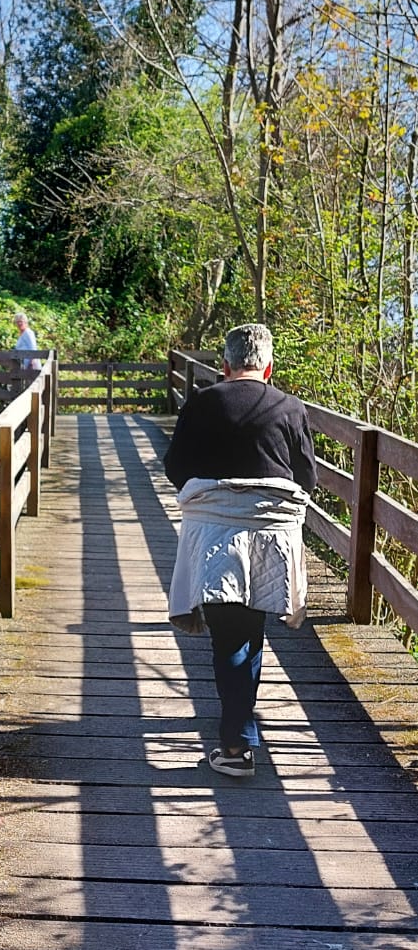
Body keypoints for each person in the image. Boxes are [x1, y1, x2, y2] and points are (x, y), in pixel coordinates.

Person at [164, 322, 317, 778]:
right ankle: (239, 736)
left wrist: (217, 493)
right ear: (268, 367)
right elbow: (307, 478)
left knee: (230, 636)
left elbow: (175, 467)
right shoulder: (290, 407)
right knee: (247, 634)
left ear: (225, 365)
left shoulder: (202, 402)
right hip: (272, 539)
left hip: (216, 536)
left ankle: (236, 745)